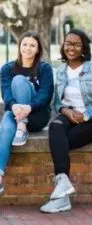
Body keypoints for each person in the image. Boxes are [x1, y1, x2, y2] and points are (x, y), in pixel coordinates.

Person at [0, 32, 53, 196]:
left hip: (38, 116)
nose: (28, 48)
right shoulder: (8, 68)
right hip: (15, 113)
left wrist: (29, 108)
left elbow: (45, 95)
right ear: (19, 46)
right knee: (5, 129)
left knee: (18, 80)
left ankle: (22, 125)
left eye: (32, 45)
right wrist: (14, 106)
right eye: (24, 44)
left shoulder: (44, 68)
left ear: (38, 49)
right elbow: (6, 95)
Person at [40, 29, 92, 213]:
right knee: (56, 126)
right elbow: (56, 102)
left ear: (84, 47)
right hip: (69, 114)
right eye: (68, 43)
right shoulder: (60, 71)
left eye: (77, 44)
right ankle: (62, 180)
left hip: (89, 119)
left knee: (61, 141)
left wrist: (85, 115)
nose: (71, 47)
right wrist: (66, 111)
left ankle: (62, 200)